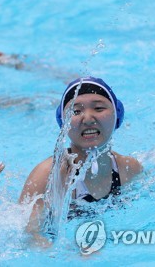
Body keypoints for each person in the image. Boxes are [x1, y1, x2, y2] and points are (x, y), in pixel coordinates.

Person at [19, 76, 142, 245]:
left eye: (99, 108)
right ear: (63, 122)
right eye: (76, 111)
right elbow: (29, 235)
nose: (88, 118)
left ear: (117, 114)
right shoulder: (49, 174)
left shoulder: (128, 168)